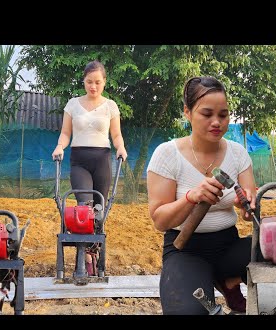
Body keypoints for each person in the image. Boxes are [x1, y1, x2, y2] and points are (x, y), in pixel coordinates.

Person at [147, 76, 257, 315]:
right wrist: (191, 197)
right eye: (207, 114)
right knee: (188, 312)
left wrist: (246, 205)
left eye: (224, 114)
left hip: (229, 246)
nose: (217, 122)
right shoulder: (167, 154)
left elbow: (251, 216)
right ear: (187, 112)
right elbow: (159, 220)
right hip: (185, 250)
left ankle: (228, 276)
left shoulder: (238, 154)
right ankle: (221, 280)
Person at [52, 60, 128, 275]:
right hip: (79, 160)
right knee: (83, 208)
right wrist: (59, 147)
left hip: (102, 159)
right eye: (88, 82)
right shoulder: (73, 104)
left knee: (99, 211)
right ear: (83, 82)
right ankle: (85, 257)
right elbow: (66, 133)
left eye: (97, 82)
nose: (93, 86)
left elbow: (116, 135)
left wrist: (120, 148)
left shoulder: (110, 106)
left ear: (104, 82)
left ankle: (95, 253)